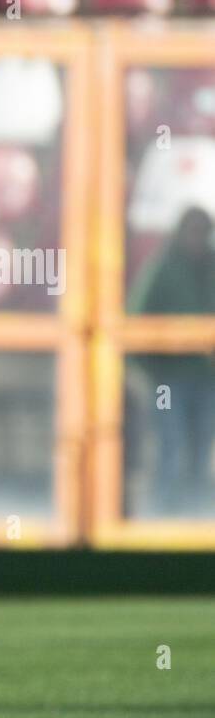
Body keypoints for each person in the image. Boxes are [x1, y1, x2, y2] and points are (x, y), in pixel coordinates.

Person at [128, 207, 215, 514]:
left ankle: (198, 507)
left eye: (203, 232)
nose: (197, 238)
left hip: (207, 379)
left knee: (203, 443)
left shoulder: (211, 267)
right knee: (171, 440)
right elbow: (137, 318)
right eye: (192, 231)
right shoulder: (162, 267)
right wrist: (149, 367)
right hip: (168, 379)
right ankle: (164, 507)